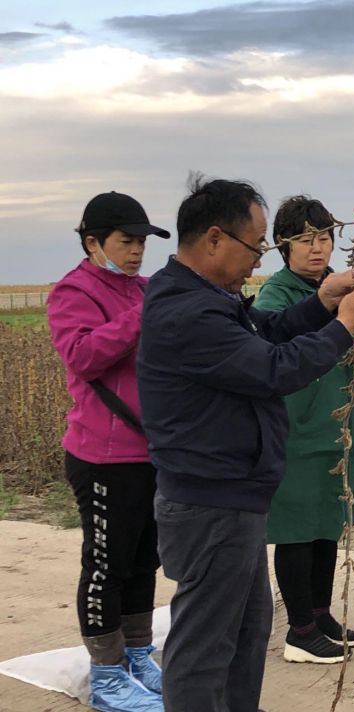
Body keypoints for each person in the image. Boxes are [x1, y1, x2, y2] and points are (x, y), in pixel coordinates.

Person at [137, 176, 354, 712]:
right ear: (214, 239)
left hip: (234, 495)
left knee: (245, 630)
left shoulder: (208, 298)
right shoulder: (187, 311)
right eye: (256, 243)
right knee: (204, 642)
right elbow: (272, 368)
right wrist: (341, 328)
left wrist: (320, 302)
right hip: (210, 500)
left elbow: (266, 330)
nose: (260, 256)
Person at [256, 196, 354, 664]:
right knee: (296, 528)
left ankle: (320, 615)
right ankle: (299, 632)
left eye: (324, 238)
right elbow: (276, 348)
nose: (317, 248)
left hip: (343, 427)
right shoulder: (276, 295)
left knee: (327, 526)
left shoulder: (351, 287)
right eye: (305, 240)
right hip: (298, 429)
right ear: (282, 245)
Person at [47, 192, 170, 712]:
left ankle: (138, 655)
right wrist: (142, 316)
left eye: (142, 241)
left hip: (151, 450)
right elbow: (81, 355)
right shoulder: (73, 292)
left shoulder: (143, 288)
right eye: (127, 241)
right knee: (106, 566)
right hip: (103, 454)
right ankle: (106, 673)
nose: (137, 251)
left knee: (144, 561)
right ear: (92, 242)